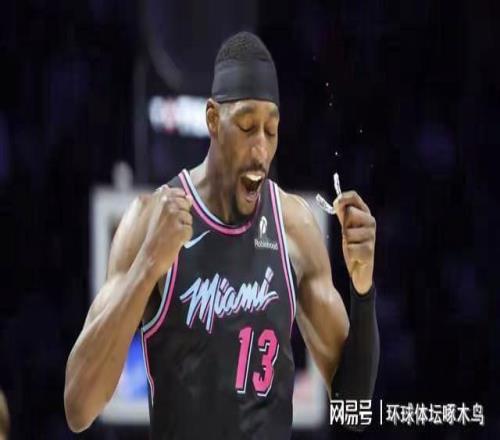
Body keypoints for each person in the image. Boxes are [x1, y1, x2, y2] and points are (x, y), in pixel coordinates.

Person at [64, 31, 379, 439]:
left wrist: (363, 290)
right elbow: (79, 406)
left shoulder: (294, 228)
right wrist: (147, 266)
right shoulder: (150, 219)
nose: (261, 150)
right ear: (213, 119)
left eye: (271, 130)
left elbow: (355, 412)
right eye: (247, 127)